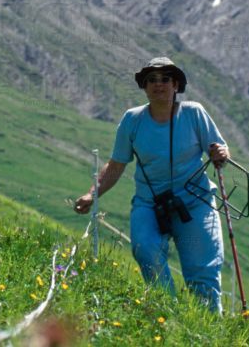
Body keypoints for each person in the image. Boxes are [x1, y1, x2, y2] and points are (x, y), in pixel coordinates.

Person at [74, 57, 230, 312]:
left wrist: (220, 154)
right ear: (144, 87)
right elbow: (116, 164)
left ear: (176, 85)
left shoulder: (194, 113)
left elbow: (219, 152)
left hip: (195, 202)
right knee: (144, 249)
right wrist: (93, 194)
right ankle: (167, 314)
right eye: (152, 80)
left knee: (202, 270)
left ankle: (209, 325)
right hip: (150, 203)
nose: (159, 84)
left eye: (165, 79)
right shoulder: (132, 120)